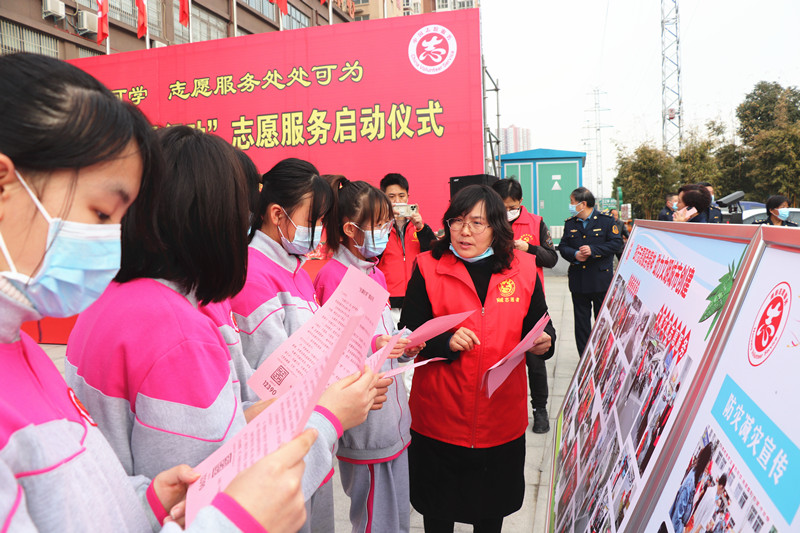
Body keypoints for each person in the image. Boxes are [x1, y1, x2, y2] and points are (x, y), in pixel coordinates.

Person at [0, 52, 314, 533]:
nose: (111, 237)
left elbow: (71, 501)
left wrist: (142, 504)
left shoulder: (22, 348)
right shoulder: (174, 327)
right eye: (103, 213)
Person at [231, 158, 391, 533]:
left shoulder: (294, 268)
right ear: (276, 214)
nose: (319, 232)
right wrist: (340, 393)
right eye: (313, 220)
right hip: (280, 450)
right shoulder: (253, 275)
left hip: (310, 439)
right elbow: (274, 377)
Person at [400, 185, 556, 533]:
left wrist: (544, 343)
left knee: (490, 515)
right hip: (439, 418)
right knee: (437, 514)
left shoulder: (525, 270)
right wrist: (443, 339)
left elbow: (543, 327)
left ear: (498, 228)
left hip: (499, 420)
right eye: (456, 221)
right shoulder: (428, 266)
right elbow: (408, 329)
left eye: (476, 223)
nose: (464, 231)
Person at [314, 176, 423, 533]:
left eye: (388, 224)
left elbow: (381, 339)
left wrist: (404, 347)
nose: (387, 232)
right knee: (374, 520)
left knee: (396, 516)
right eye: (378, 226)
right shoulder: (333, 277)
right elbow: (331, 359)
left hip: (392, 414)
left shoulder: (373, 273)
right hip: (365, 420)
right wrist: (376, 348)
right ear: (348, 228)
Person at [491, 178, 558, 434]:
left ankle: (539, 410)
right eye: (501, 206)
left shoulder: (536, 222)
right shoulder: (489, 221)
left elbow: (552, 258)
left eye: (510, 206)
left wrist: (527, 247)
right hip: (496, 301)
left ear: (520, 202)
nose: (506, 211)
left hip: (528, 298)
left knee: (535, 357)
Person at [559, 187, 622, 356]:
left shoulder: (606, 221)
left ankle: (604, 357)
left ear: (583, 204)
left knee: (603, 323)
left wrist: (593, 249)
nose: (570, 205)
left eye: (572, 202)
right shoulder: (570, 223)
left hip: (600, 281)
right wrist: (574, 254)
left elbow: (617, 244)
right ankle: (585, 359)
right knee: (581, 325)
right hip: (579, 282)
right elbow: (563, 247)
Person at [377, 173, 438, 310]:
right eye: (391, 197)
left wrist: (421, 228)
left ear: (408, 197)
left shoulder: (419, 227)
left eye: (401, 196)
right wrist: (385, 224)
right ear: (383, 198)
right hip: (385, 302)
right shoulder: (377, 229)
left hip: (416, 300)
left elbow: (433, 255)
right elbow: (372, 259)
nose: (397, 201)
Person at [670, 444, 713, 533]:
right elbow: (676, 519)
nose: (707, 473)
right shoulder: (690, 484)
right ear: (706, 462)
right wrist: (683, 530)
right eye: (707, 469)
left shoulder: (696, 479)